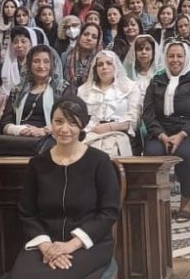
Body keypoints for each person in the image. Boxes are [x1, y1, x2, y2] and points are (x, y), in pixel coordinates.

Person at [6, 98, 120, 279]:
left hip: (88, 243)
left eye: (72, 123)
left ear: (82, 125)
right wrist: (47, 246)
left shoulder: (99, 161)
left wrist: (71, 245)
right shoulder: (37, 164)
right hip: (44, 241)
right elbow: (27, 212)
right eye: (58, 121)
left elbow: (109, 212)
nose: (64, 129)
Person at [143, 41, 190, 222]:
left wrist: (182, 134)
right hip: (161, 132)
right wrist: (161, 135)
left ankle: (186, 200)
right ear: (165, 58)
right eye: (171, 56)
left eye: (179, 56)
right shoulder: (156, 81)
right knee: (151, 154)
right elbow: (148, 113)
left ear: (186, 58)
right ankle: (155, 201)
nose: (175, 60)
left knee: (185, 154)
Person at [0, 45, 65, 157]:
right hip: (20, 140)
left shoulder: (62, 89)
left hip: (50, 139)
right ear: (29, 64)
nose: (41, 66)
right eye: (36, 61)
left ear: (53, 65)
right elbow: (5, 122)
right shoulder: (17, 90)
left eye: (46, 62)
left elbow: (68, 121)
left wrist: (44, 130)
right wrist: (19, 130)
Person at [76, 50, 141, 157]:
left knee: (113, 153)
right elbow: (79, 118)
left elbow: (134, 118)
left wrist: (109, 127)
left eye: (109, 63)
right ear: (95, 69)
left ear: (115, 66)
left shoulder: (130, 87)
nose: (104, 67)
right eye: (100, 64)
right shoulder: (83, 91)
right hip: (91, 132)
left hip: (120, 132)